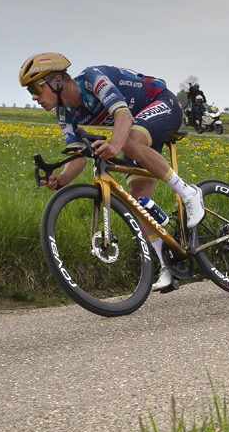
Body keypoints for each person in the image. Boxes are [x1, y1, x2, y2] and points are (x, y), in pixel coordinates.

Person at [19, 52, 205, 294]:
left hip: (161, 103)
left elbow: (123, 115)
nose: (33, 97)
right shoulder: (64, 114)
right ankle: (168, 264)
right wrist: (62, 178)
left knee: (128, 140)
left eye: (35, 87)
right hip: (136, 128)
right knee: (138, 202)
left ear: (56, 81)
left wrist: (114, 146)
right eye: (29, 91)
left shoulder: (92, 79)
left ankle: (189, 193)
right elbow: (77, 155)